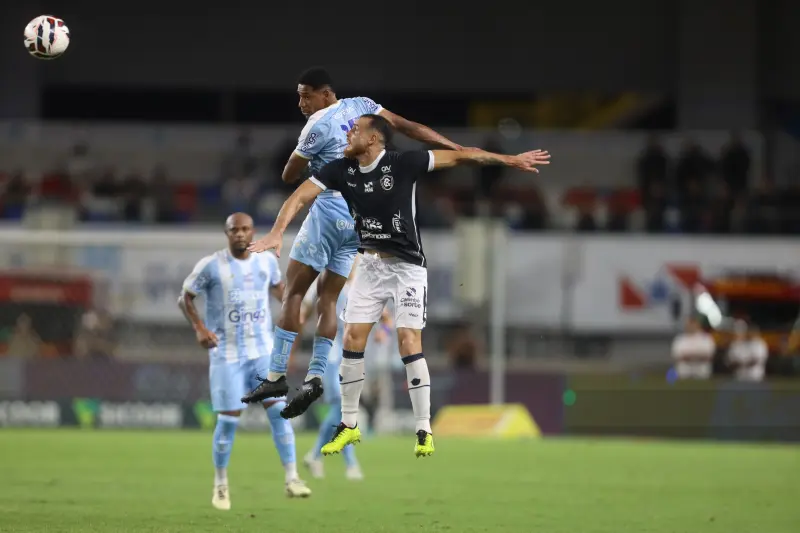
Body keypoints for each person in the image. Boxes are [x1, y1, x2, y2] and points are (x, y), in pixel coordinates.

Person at [244, 114, 550, 456]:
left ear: (374, 139)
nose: (348, 133)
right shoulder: (341, 169)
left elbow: (461, 156)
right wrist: (277, 231)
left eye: (355, 130)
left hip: (407, 268)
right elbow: (300, 196)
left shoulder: (403, 164)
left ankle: (424, 429)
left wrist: (509, 160)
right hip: (370, 265)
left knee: (408, 341)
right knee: (353, 338)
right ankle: (349, 426)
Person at [241, 67, 464, 417]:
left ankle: (275, 376)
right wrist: (452, 146)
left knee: (294, 292)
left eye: (306, 95)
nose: (301, 103)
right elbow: (407, 126)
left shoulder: (317, 126)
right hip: (360, 217)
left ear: (325, 94)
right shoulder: (363, 106)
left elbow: (288, 174)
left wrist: (308, 171)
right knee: (329, 298)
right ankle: (315, 376)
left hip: (329, 212)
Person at [178, 213, 311, 511]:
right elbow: (184, 298)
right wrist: (199, 328)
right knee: (228, 421)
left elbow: (280, 290)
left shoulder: (265, 261)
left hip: (262, 352)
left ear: (253, 231)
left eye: (245, 229)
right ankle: (220, 485)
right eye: (234, 230)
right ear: (226, 233)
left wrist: (294, 306)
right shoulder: (211, 266)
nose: (240, 234)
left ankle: (292, 478)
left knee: (280, 413)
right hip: (226, 355)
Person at [300, 255, 392, 481]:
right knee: (343, 407)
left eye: (353, 260)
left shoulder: (362, 287)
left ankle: (315, 455)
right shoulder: (323, 283)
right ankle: (349, 464)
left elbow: (387, 319)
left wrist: (383, 333)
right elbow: (303, 310)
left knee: (342, 409)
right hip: (330, 355)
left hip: (352, 357)